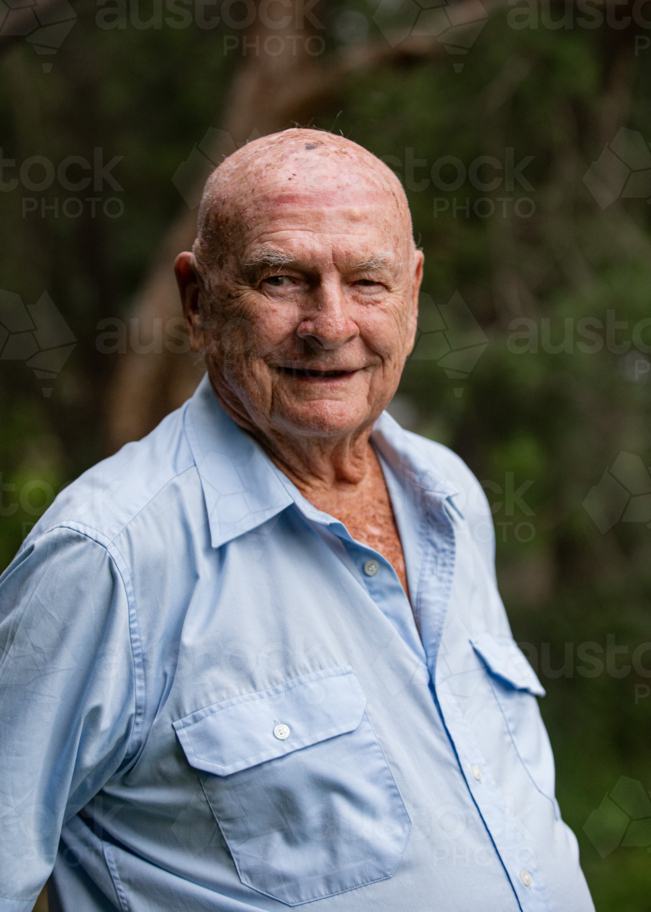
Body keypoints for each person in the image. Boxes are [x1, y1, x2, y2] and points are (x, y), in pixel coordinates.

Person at [0, 129, 595, 912]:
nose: (330, 323)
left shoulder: (446, 497)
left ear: (412, 292)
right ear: (197, 300)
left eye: (367, 282)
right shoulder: (108, 556)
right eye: (281, 279)